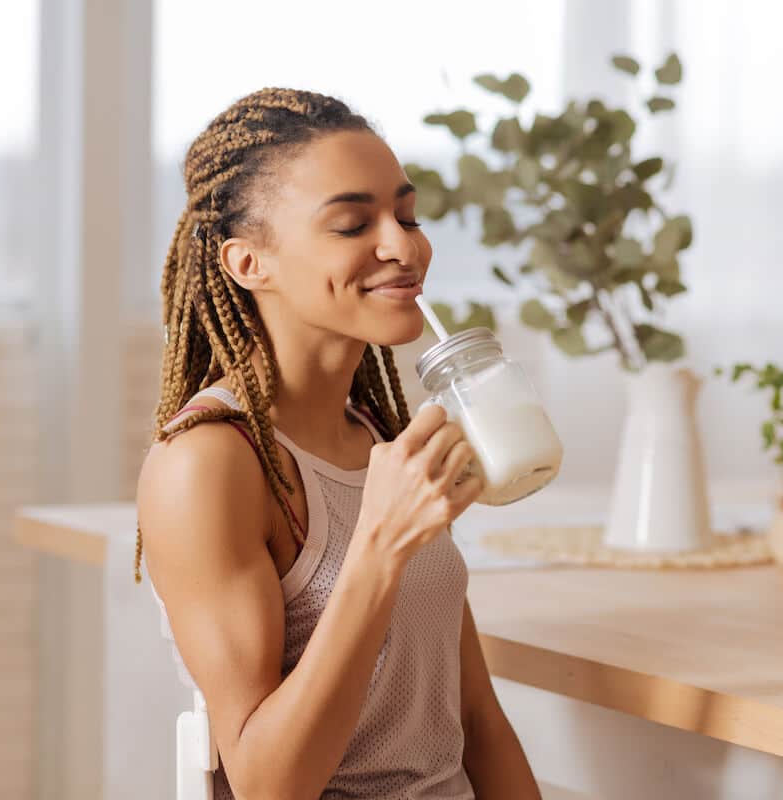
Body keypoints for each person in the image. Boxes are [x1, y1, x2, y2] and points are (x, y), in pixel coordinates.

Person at [135, 87, 541, 799]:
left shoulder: (378, 435)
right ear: (247, 263)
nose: (404, 245)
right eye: (354, 224)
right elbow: (266, 785)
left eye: (407, 215)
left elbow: (475, 719)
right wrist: (380, 547)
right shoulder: (207, 464)